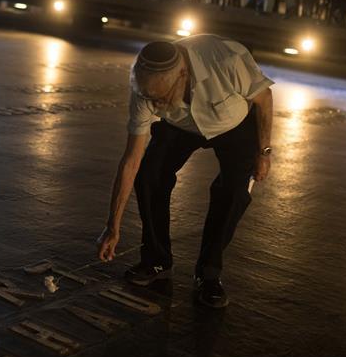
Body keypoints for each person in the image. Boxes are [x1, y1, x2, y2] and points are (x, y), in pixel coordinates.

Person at [97, 36, 274, 308]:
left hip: (234, 124)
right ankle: (156, 260)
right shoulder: (146, 90)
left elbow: (264, 99)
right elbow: (130, 160)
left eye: (162, 97)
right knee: (149, 175)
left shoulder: (227, 61)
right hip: (180, 125)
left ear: (183, 74)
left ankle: (209, 274)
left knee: (233, 192)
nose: (155, 104)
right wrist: (112, 226)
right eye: (151, 99)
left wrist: (263, 153)